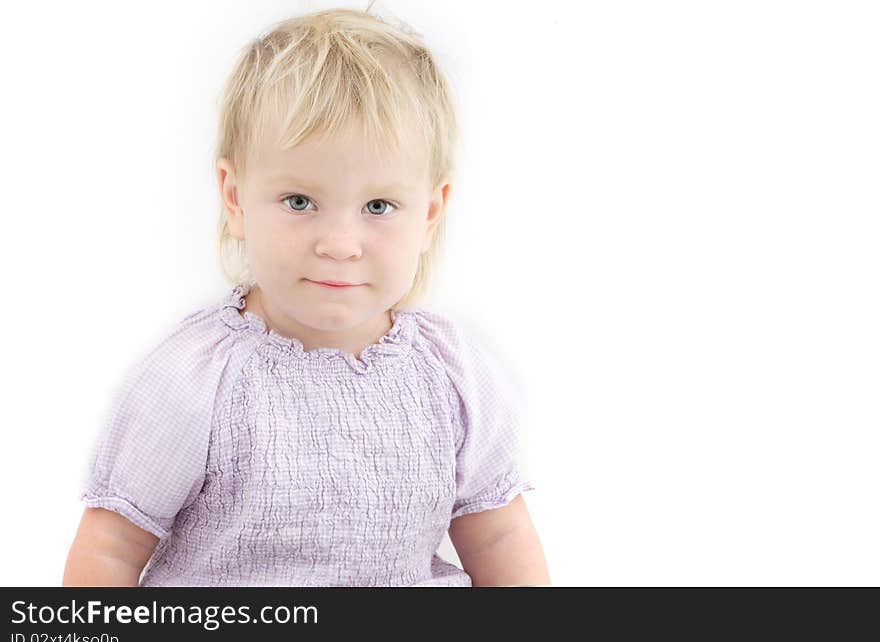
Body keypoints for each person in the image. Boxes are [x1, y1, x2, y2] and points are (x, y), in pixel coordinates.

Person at [62, 5, 550, 587]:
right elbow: (112, 546)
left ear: (430, 213)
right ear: (236, 197)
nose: (340, 245)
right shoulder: (196, 379)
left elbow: (497, 534)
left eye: (378, 206)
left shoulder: (452, 374)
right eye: (299, 201)